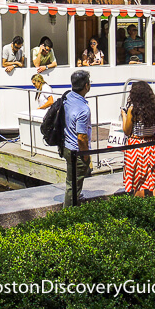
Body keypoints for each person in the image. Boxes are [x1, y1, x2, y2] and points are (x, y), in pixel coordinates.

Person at [122, 81, 155, 197]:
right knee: (153, 180)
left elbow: (127, 131)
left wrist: (124, 116)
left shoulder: (133, 109)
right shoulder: (154, 108)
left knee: (138, 181)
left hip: (136, 146)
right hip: (151, 145)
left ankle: (139, 209)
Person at [63, 70, 92, 207]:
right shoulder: (83, 109)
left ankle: (74, 205)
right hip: (76, 150)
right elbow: (81, 137)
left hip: (66, 146)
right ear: (86, 86)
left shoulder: (67, 97)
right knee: (73, 185)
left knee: (71, 182)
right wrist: (85, 156)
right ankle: (68, 215)